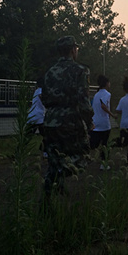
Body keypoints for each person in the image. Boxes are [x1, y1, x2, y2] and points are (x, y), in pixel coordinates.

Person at [41, 36, 94, 194]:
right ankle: (61, 180)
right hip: (70, 120)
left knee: (54, 159)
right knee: (81, 155)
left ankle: (50, 194)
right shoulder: (80, 71)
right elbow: (83, 98)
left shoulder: (50, 72)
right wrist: (88, 119)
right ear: (73, 50)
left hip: (50, 120)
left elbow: (44, 97)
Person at [90, 75, 117, 170]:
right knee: (105, 144)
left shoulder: (96, 94)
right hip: (104, 122)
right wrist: (112, 115)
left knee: (94, 143)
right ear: (106, 83)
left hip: (95, 121)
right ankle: (104, 164)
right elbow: (103, 106)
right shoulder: (107, 94)